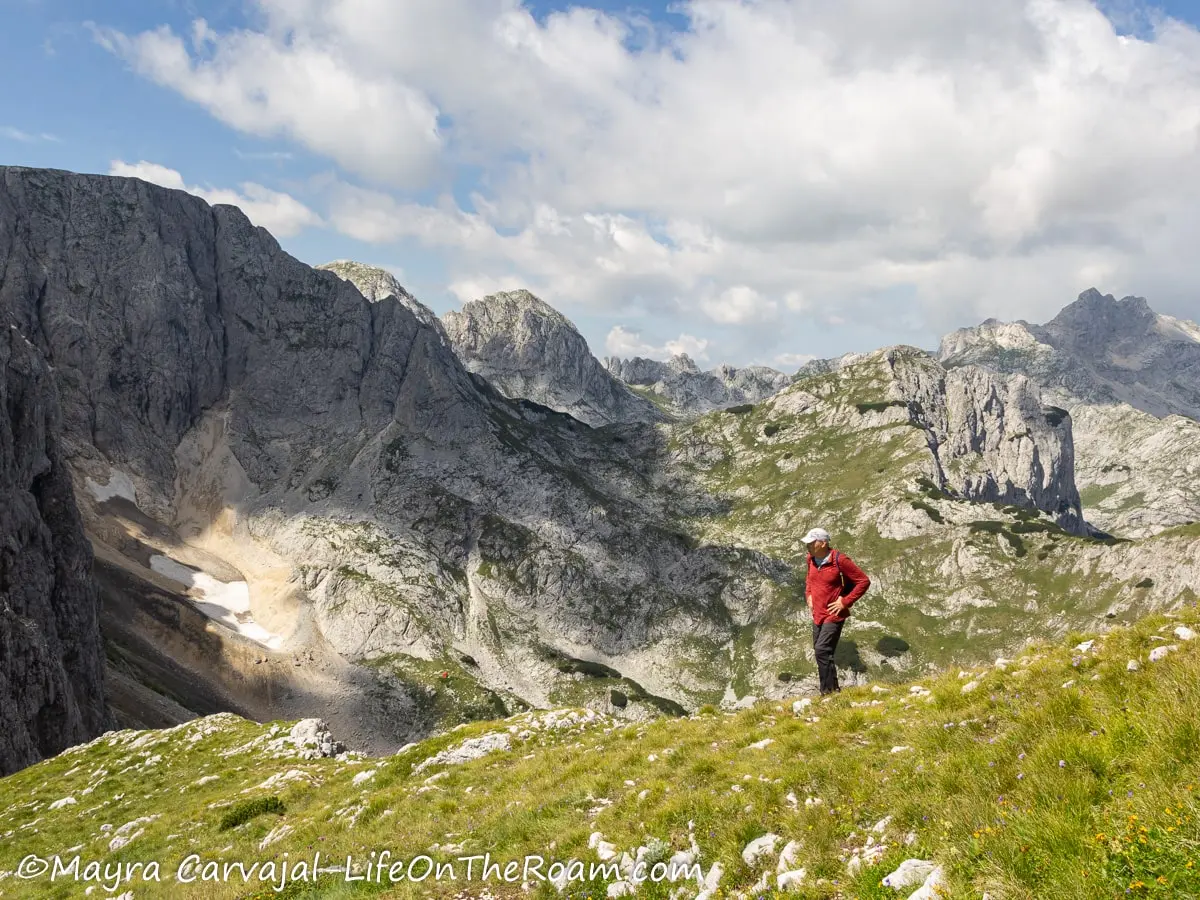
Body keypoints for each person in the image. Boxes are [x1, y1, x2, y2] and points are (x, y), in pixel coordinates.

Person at [801, 527, 870, 695]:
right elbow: (809, 580)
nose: (808, 545)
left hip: (834, 614)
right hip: (818, 613)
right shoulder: (811, 559)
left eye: (811, 542)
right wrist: (808, 595)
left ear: (823, 543)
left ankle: (827, 692)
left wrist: (845, 602)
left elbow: (863, 581)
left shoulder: (840, 560)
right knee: (823, 652)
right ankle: (832, 690)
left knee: (822, 650)